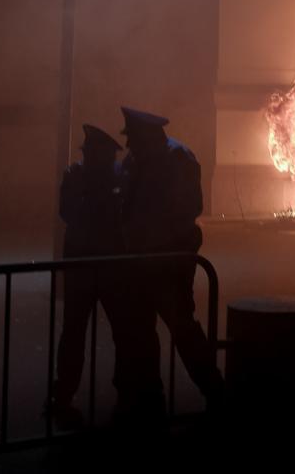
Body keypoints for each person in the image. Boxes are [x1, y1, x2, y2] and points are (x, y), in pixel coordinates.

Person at [119, 106, 224, 412]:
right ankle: (151, 397)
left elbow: (189, 207)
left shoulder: (177, 158)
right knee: (142, 331)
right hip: (140, 259)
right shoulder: (136, 161)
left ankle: (215, 391)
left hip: (169, 261)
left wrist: (158, 238)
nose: (128, 144)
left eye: (133, 137)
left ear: (150, 135)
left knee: (182, 329)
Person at [49, 124, 125, 429]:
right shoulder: (77, 177)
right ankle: (65, 392)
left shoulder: (118, 177)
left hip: (106, 264)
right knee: (76, 330)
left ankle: (122, 389)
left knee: (117, 329)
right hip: (90, 262)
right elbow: (68, 212)